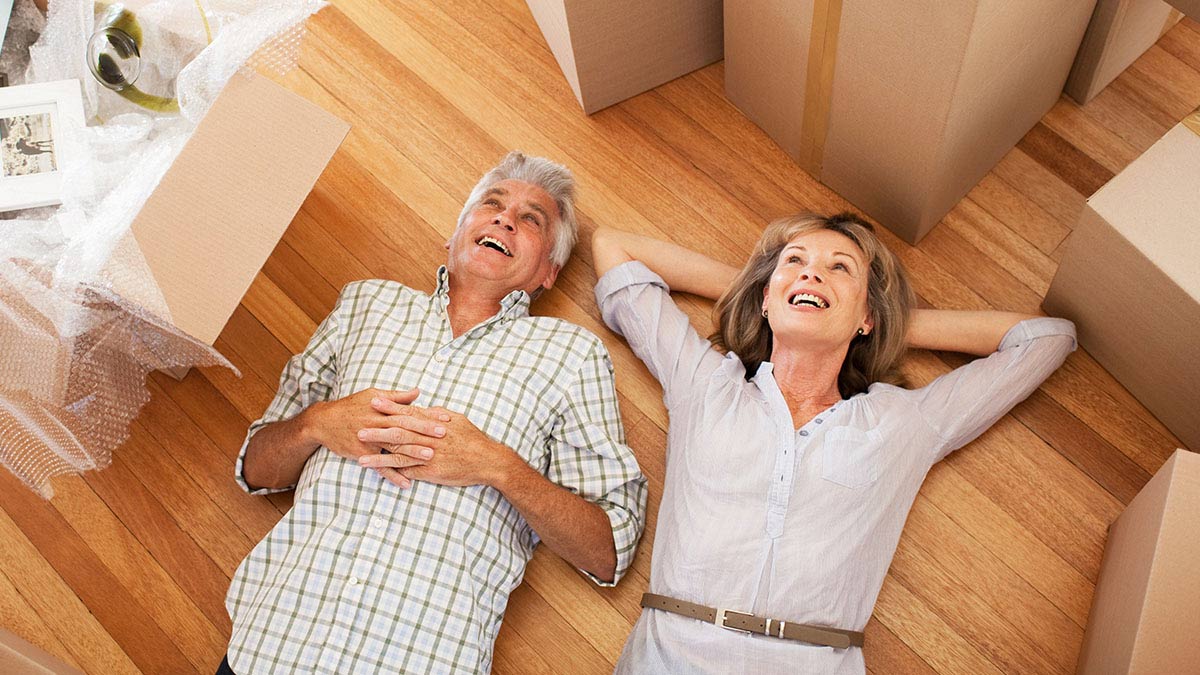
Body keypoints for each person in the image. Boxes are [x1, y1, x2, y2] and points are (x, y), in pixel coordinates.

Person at [591, 212, 1076, 674]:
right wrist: (772, 293)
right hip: (670, 653)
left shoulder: (903, 423)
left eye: (839, 268)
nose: (812, 273)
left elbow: (1047, 339)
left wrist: (880, 321)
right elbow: (614, 248)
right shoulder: (705, 384)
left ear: (868, 317)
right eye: (794, 261)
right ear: (764, 298)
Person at [222, 151, 647, 674]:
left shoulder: (572, 355)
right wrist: (318, 423)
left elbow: (608, 551)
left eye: (530, 219)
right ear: (454, 236)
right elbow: (254, 470)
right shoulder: (365, 304)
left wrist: (497, 466)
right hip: (271, 646)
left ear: (548, 273)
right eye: (491, 204)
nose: (504, 219)